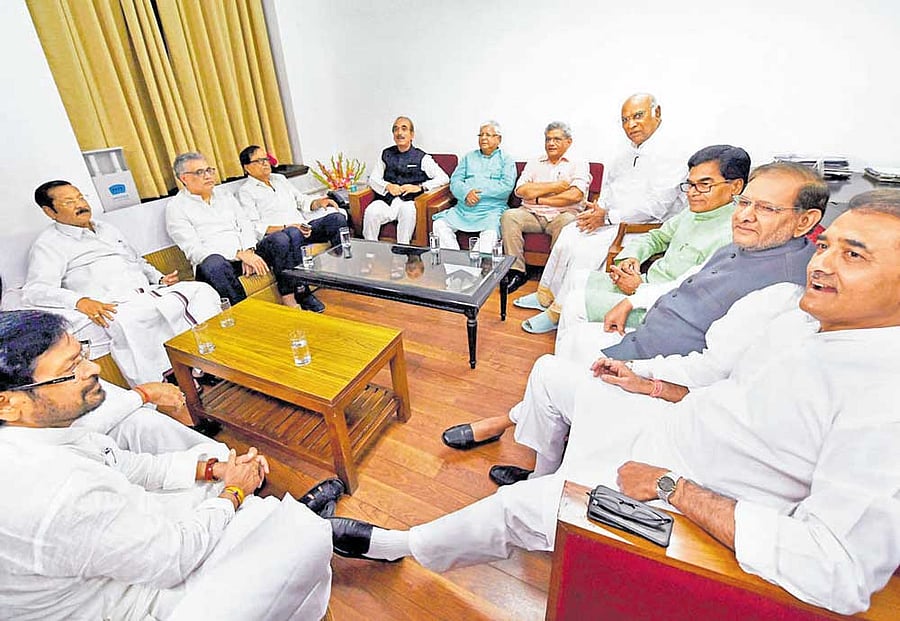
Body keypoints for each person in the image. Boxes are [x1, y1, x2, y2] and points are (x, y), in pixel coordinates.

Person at [328, 195, 900, 616]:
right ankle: (546, 478)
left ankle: (405, 545)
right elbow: (726, 386)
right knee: (554, 373)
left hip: (687, 484)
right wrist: (648, 383)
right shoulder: (800, 316)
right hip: (669, 421)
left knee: (519, 509)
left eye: (854, 255)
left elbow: (839, 571)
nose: (821, 263)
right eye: (826, 246)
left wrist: (674, 487)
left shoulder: (884, 398)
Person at [442, 161, 827, 472]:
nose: (745, 215)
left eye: (766, 208)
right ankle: (552, 450)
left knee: (549, 368)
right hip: (646, 334)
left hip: (655, 367)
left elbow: (713, 372)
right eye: (746, 203)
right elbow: (684, 279)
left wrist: (645, 377)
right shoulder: (746, 246)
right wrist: (633, 298)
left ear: (805, 221)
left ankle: (542, 467)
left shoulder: (783, 289)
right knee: (571, 345)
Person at [0, 309, 345, 620]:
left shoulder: (37, 435)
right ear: (8, 404)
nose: (94, 369)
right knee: (305, 535)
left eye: (83, 355)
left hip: (120, 564)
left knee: (233, 502)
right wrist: (235, 490)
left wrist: (214, 470)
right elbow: (171, 559)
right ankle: (321, 528)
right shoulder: (57, 492)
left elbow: (126, 465)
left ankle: (300, 524)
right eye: (71, 368)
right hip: (132, 604)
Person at [529, 144, 747, 335]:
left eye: (704, 185)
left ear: (735, 186)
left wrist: (639, 287)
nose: (692, 193)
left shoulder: (734, 235)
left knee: (575, 304)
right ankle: (564, 325)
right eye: (690, 184)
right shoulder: (692, 213)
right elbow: (656, 237)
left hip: (665, 308)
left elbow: (694, 292)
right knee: (578, 279)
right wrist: (630, 257)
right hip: (645, 285)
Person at [23, 180, 221, 387]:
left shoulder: (106, 229)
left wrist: (159, 278)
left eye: (80, 197)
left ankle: (209, 364)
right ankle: (171, 384)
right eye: (69, 202)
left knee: (202, 291)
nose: (80, 204)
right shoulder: (49, 244)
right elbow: (35, 290)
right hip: (115, 303)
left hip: (149, 292)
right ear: (50, 212)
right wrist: (80, 301)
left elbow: (136, 261)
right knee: (136, 320)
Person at [513, 93, 686, 315]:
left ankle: (560, 311)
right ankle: (545, 295)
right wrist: (597, 209)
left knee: (585, 249)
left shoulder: (673, 151)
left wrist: (607, 216)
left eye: (638, 116)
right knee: (569, 233)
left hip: (643, 226)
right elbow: (611, 186)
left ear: (657, 112)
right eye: (625, 120)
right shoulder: (625, 150)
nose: (631, 124)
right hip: (611, 218)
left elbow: (657, 206)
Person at [165, 151, 325, 312]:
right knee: (214, 263)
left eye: (209, 170)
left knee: (280, 239)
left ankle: (292, 298)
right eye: (200, 172)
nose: (208, 176)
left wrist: (248, 251)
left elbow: (245, 224)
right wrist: (238, 254)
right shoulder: (176, 208)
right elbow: (195, 251)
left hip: (245, 252)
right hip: (217, 264)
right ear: (184, 178)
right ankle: (246, 315)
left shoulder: (224, 195)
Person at [501, 121, 591, 293]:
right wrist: (556, 187)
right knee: (509, 216)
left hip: (562, 215)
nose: (551, 143)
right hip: (531, 214)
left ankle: (555, 279)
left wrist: (538, 199)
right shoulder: (535, 162)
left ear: (568, 142)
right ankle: (517, 271)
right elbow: (520, 190)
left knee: (568, 222)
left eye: (556, 139)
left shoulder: (578, 163)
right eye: (548, 139)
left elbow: (575, 195)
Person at [236, 144, 348, 250]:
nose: (265, 163)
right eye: (259, 161)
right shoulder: (245, 191)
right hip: (282, 235)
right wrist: (288, 226)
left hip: (304, 227)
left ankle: (344, 261)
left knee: (337, 218)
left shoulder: (279, 179)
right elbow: (255, 226)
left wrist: (319, 202)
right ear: (247, 168)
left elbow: (301, 200)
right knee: (294, 232)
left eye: (266, 159)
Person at [432, 120, 517, 253]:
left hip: (491, 211)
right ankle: (456, 265)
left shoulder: (506, 160)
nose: (483, 138)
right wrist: (466, 193)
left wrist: (477, 193)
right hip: (464, 209)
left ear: (498, 139)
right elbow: (455, 181)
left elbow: (506, 187)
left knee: (491, 234)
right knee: (439, 224)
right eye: (481, 135)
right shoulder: (468, 157)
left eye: (488, 135)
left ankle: (473, 270)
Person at [362, 116, 449, 244]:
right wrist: (387, 186)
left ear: (411, 135)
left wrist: (420, 187)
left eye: (404, 129)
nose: (399, 133)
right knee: (372, 210)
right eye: (396, 129)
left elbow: (444, 178)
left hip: (408, 201)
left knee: (407, 210)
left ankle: (403, 249)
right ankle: (372, 250)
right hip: (387, 200)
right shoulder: (386, 153)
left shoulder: (422, 157)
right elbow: (374, 178)